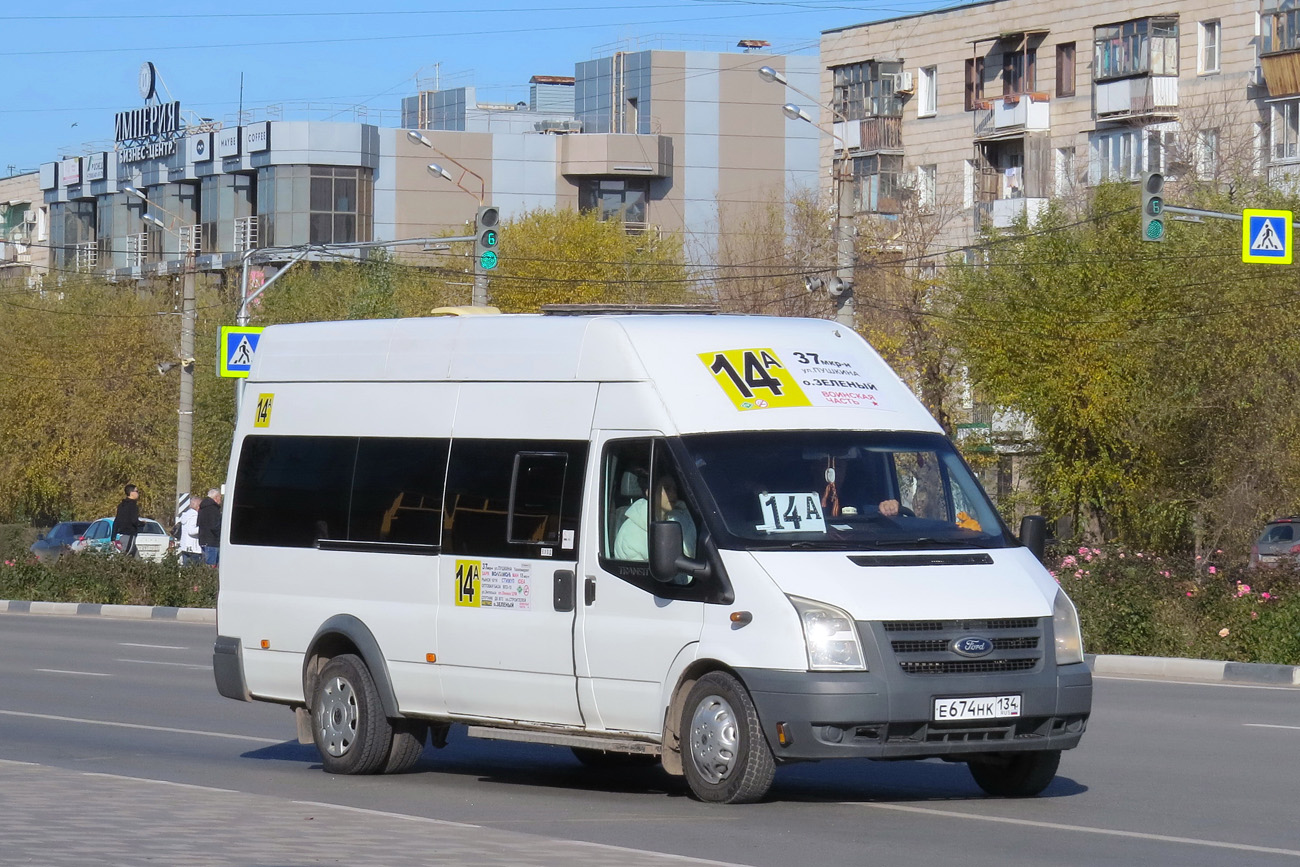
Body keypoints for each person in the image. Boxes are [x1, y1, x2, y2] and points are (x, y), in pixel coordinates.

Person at [614, 474, 697, 563]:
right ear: (649, 492)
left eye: (675, 489)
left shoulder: (682, 518)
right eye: (667, 488)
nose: (673, 494)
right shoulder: (629, 535)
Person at [113, 484, 143, 557]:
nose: (138, 493)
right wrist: (142, 524)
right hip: (129, 535)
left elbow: (116, 521)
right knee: (125, 555)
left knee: (136, 558)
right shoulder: (133, 505)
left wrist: (113, 536)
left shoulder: (121, 505)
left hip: (122, 536)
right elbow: (134, 521)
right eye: (137, 491)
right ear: (131, 493)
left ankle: (141, 568)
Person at [198, 488, 223, 566]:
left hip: (203, 539)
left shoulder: (202, 508)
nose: (220, 501)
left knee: (205, 565)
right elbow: (214, 526)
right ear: (216, 498)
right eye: (220, 498)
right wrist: (220, 536)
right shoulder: (213, 509)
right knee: (211, 566)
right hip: (212, 541)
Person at [178, 494, 203, 567]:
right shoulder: (194, 516)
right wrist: (202, 528)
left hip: (185, 546)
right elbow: (191, 531)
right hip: (193, 548)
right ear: (198, 506)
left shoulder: (186, 515)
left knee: (186, 569)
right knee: (194, 570)